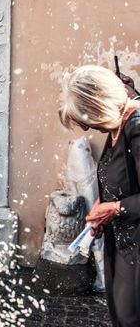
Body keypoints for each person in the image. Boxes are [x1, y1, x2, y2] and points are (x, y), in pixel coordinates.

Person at [59, 65, 140, 326]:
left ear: (98, 106)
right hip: (122, 243)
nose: (85, 128)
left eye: (85, 119)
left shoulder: (135, 128)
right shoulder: (117, 124)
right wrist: (102, 203)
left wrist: (114, 208)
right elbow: (121, 179)